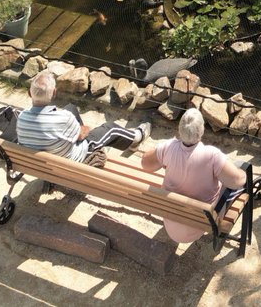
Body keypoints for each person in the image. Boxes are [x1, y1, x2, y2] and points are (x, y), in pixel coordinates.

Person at [141, 108, 247, 245]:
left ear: (180, 129)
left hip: (170, 222)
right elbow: (237, 181)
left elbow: (145, 164)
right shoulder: (212, 155)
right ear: (201, 131)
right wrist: (243, 172)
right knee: (232, 183)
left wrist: (162, 152)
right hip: (198, 225)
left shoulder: (168, 148)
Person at [18, 71, 149, 169]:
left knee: (70, 108)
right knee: (110, 128)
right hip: (75, 159)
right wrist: (85, 129)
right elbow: (82, 135)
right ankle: (138, 137)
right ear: (54, 93)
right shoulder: (62, 118)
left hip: (46, 163)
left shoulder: (21, 117)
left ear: (30, 93)